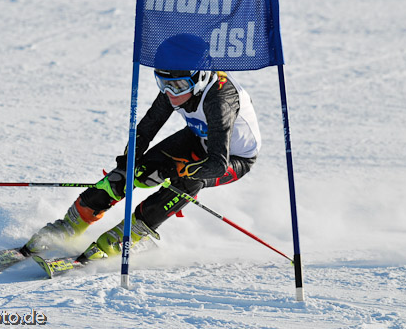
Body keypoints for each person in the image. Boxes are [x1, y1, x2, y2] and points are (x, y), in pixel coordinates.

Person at [18, 33, 261, 263]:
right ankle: (70, 224)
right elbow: (146, 129)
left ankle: (131, 237)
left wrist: (169, 172)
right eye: (162, 83)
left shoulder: (220, 100)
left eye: (176, 86)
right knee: (132, 172)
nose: (169, 93)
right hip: (198, 138)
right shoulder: (176, 84)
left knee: (187, 183)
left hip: (233, 158)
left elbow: (217, 165)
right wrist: (129, 162)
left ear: (200, 78)